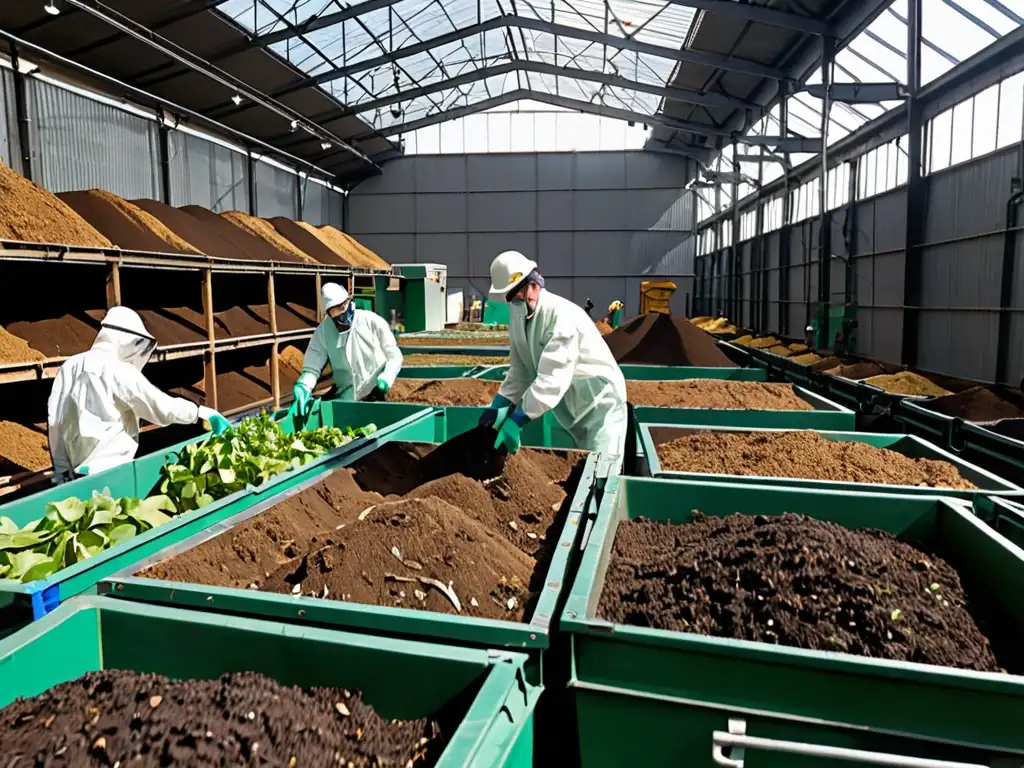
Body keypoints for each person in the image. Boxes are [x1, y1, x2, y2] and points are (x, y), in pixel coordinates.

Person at [47, 306, 230, 481]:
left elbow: (55, 421)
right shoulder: (118, 370)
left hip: (76, 475)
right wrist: (200, 412)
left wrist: (62, 472)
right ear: (126, 339)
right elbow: (161, 407)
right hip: (113, 472)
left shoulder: (69, 367)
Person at [479, 251, 628, 458]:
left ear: (535, 284)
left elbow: (552, 378)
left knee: (603, 466)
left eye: (520, 293)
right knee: (581, 463)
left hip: (600, 403)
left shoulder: (562, 316)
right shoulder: (519, 315)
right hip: (571, 404)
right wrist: (500, 403)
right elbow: (521, 368)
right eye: (512, 296)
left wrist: (518, 419)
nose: (518, 300)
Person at [289, 282, 402, 418]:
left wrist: (386, 378)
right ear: (329, 313)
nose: (341, 315)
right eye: (335, 311)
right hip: (346, 399)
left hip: (376, 394)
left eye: (343, 307)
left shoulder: (372, 321)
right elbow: (313, 365)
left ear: (349, 301)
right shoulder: (324, 332)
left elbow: (394, 355)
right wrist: (304, 385)